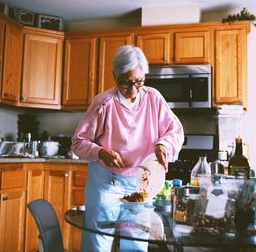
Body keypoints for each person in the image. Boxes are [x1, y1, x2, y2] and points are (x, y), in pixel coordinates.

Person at [71, 45, 184, 252]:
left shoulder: (153, 98)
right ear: (115, 76)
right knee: (98, 243)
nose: (133, 90)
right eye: (126, 83)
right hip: (106, 184)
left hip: (140, 186)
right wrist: (100, 152)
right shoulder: (103, 103)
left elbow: (175, 132)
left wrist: (163, 144)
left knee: (136, 246)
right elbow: (78, 142)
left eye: (139, 82)